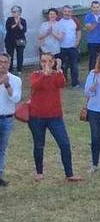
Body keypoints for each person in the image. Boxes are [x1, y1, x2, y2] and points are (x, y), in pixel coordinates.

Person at [28, 52, 82, 182]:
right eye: (43, 61)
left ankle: (69, 174)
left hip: (55, 117)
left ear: (53, 62)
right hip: (36, 117)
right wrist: (44, 75)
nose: (46, 64)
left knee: (64, 144)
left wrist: (58, 70)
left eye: (49, 61)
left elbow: (61, 84)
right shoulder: (35, 75)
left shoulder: (57, 74)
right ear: (40, 63)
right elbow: (35, 85)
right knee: (39, 145)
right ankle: (39, 172)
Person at [0, 53, 21, 187]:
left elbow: (16, 99)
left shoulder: (15, 80)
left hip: (7, 119)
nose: (2, 65)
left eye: (5, 62)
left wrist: (7, 85)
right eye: (0, 62)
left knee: (2, 148)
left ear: (9, 63)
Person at [57, 5, 81, 87]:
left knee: (74, 66)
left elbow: (78, 32)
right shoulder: (58, 20)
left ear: (72, 12)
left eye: (69, 11)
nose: (67, 13)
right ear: (62, 12)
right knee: (63, 66)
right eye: (65, 11)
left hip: (72, 47)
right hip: (61, 47)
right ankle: (63, 81)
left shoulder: (75, 21)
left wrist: (76, 42)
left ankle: (75, 83)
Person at [84, 0, 100, 71]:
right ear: (91, 8)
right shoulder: (88, 16)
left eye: (97, 7)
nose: (96, 9)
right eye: (94, 7)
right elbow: (89, 29)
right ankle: (92, 75)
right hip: (92, 42)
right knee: (92, 60)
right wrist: (96, 22)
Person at [4, 5, 26, 74]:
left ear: (20, 12)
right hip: (10, 40)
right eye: (13, 12)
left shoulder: (23, 20)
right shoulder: (9, 19)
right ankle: (10, 69)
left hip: (20, 40)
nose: (14, 13)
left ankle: (19, 69)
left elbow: (24, 30)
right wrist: (16, 24)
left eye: (16, 11)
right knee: (10, 55)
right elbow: (8, 28)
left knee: (20, 54)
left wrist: (19, 24)